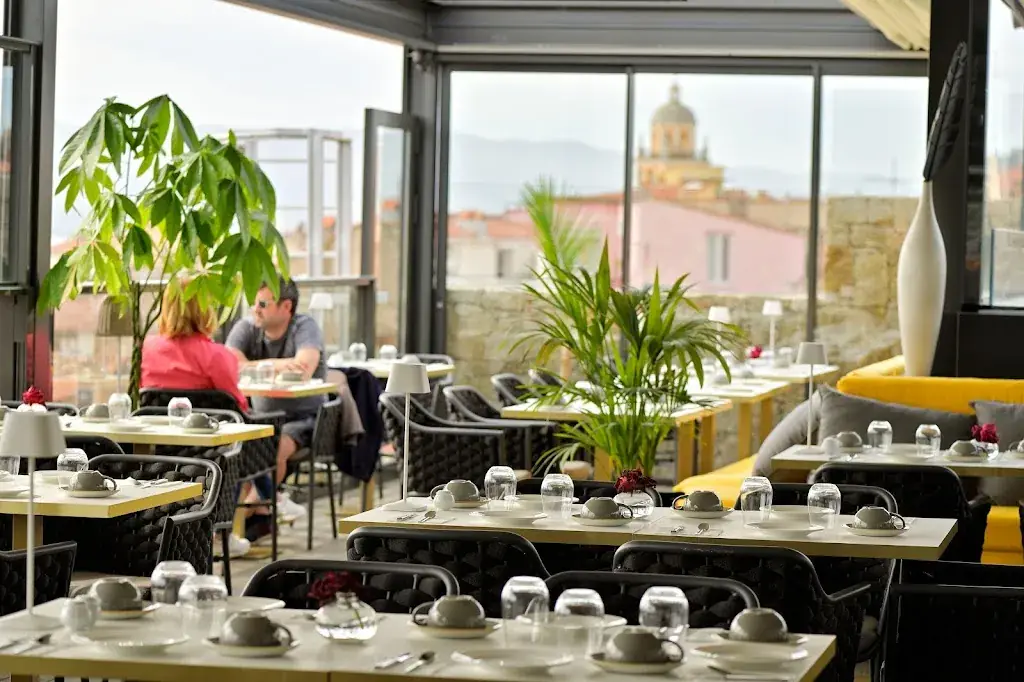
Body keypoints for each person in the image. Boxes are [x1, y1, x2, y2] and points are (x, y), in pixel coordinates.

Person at [141, 283, 252, 558]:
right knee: (247, 441)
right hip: (212, 456)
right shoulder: (217, 355)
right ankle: (221, 533)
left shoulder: (149, 349)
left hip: (160, 452)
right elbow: (237, 406)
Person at [226, 277, 326, 522]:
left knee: (274, 447)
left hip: (305, 418)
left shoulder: (305, 327)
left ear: (286, 306)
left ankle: (242, 518)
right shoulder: (247, 327)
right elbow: (229, 365)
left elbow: (303, 369)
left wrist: (251, 366)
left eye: (262, 304)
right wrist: (280, 364)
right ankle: (266, 508)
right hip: (259, 416)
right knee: (241, 448)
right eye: (253, 303)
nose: (255, 309)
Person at [141, 284, 248, 413]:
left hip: (155, 424)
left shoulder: (145, 351)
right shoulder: (217, 356)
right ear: (205, 309)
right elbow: (238, 406)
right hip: (208, 425)